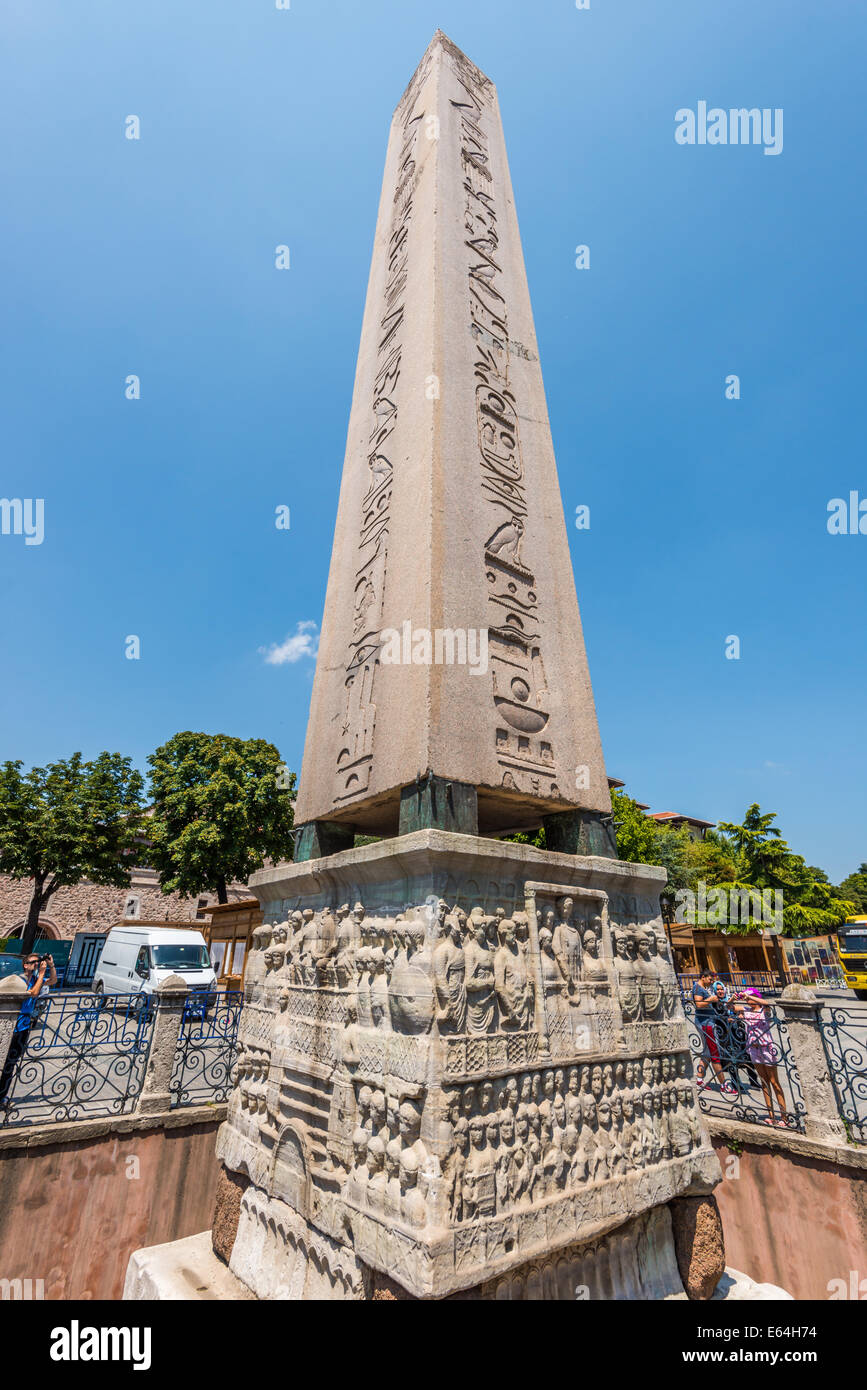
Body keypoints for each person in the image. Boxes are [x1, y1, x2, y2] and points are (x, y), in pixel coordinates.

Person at [0, 951, 56, 1105]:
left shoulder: (36, 979)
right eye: (32, 962)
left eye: (37, 962)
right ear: (25, 965)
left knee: (11, 1063)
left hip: (23, 1027)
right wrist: (42, 973)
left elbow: (53, 981)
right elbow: (34, 993)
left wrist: (51, 966)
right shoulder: (20, 980)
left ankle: (1, 1096)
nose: (36, 964)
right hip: (10, 1025)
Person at [732, 990, 788, 1127]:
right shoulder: (746, 1010)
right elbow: (729, 1007)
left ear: (755, 997)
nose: (746, 1000)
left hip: (766, 1047)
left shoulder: (764, 1011)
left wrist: (749, 996)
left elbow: (767, 1003)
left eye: (749, 997)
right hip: (753, 1048)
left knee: (774, 1082)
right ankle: (771, 1115)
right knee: (764, 1081)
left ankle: (784, 1116)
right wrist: (733, 998)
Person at [691, 970, 735, 1096]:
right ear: (703, 977)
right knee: (715, 1053)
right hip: (705, 1024)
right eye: (710, 979)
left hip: (708, 1022)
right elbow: (698, 1004)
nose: (711, 982)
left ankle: (699, 1079)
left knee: (707, 1053)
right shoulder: (698, 988)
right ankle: (723, 1084)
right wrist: (711, 999)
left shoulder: (702, 987)